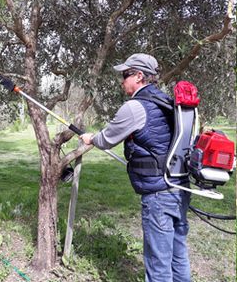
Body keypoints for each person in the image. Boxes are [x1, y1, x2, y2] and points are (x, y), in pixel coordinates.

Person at [80, 53, 191, 281]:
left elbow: (107, 139)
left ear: (139, 76)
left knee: (158, 264)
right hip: (179, 188)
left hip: (158, 194)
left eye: (125, 75)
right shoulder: (165, 101)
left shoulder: (135, 107)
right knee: (178, 256)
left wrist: (91, 138)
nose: (122, 81)